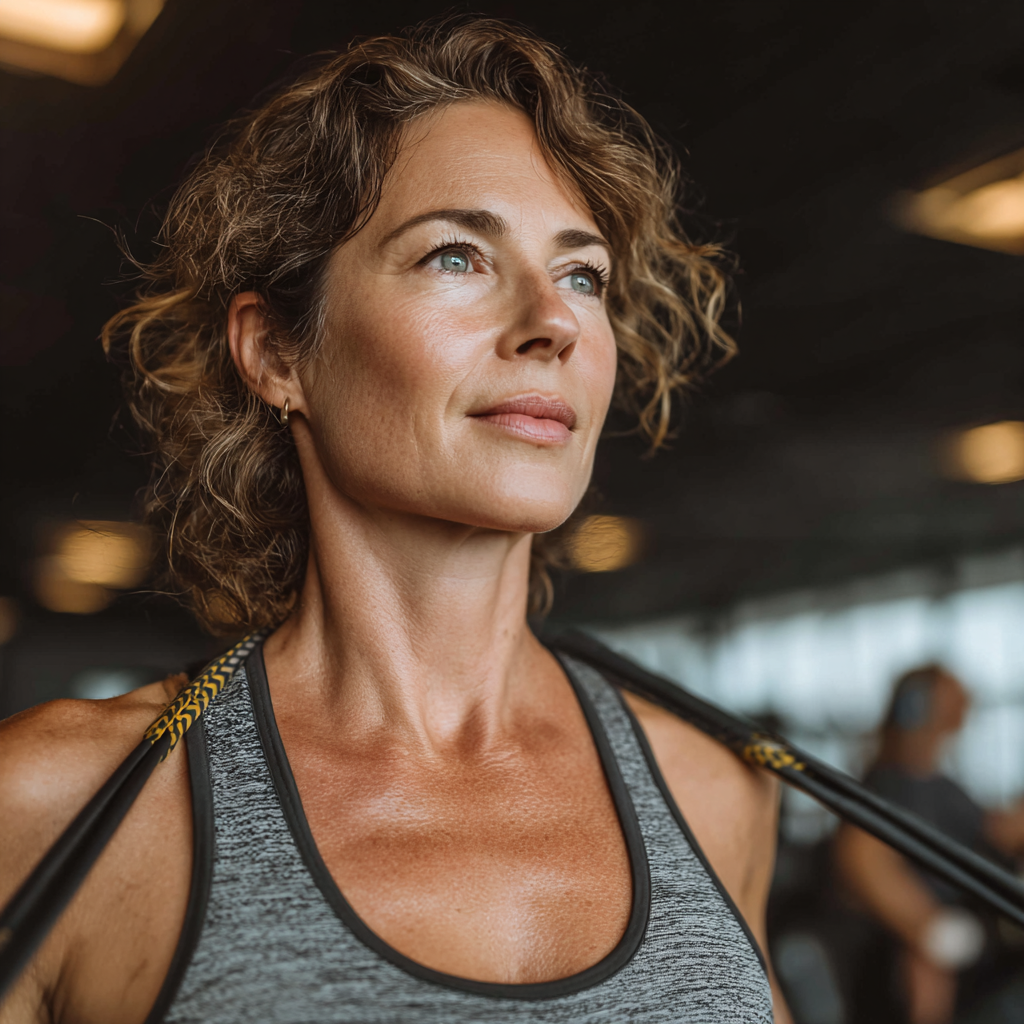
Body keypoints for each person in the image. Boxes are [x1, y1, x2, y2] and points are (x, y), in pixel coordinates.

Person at [0, 18, 789, 1023]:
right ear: (278, 353)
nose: (551, 320)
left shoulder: (713, 787)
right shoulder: (57, 806)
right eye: (456, 256)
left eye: (581, 273)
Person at [835, 665, 1024, 1024]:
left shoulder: (943, 786)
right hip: (927, 955)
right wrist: (931, 931)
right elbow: (861, 857)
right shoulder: (889, 785)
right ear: (917, 705)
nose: (965, 703)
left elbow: (989, 831)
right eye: (950, 695)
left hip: (987, 936)